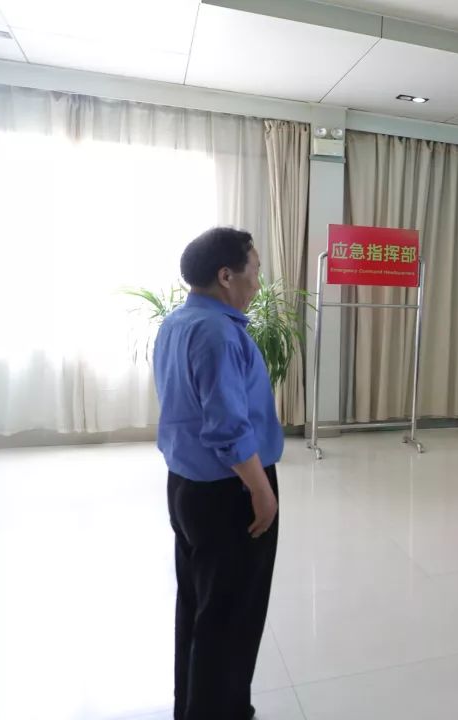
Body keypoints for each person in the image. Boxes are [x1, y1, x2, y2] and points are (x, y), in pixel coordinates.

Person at [154, 227, 282, 720]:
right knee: (231, 618)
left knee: (199, 605)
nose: (258, 281)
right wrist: (261, 490)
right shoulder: (218, 333)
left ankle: (193, 707)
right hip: (231, 491)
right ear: (226, 276)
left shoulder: (177, 322)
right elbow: (227, 427)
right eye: (255, 270)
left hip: (187, 486)